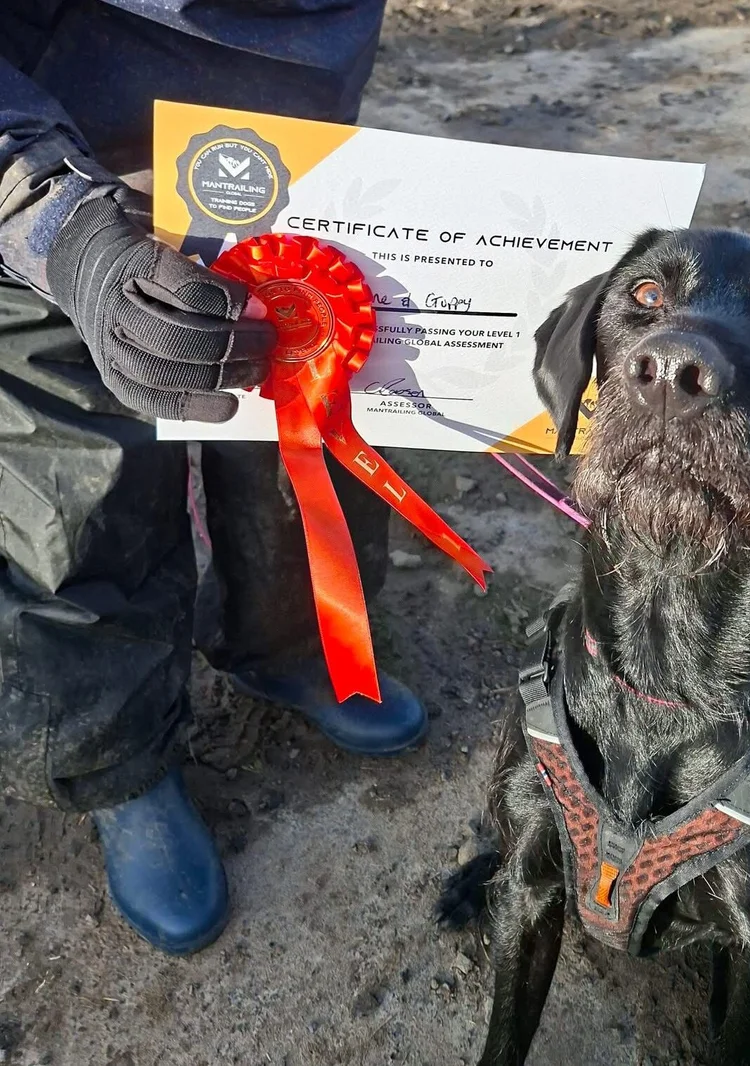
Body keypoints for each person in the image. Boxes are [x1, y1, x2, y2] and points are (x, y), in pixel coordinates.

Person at [0, 0, 424, 957]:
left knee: (310, 411)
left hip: (279, 146)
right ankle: (122, 759)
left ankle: (294, 645)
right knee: (78, 484)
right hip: (49, 158)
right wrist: (56, 226)